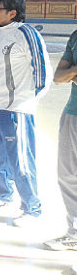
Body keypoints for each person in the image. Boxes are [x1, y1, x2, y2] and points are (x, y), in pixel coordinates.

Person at [0, 0, 52, 227]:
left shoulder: (26, 34)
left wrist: (27, 102)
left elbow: (43, 72)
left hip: (18, 110)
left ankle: (32, 208)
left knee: (21, 160)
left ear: (12, 13)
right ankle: (2, 194)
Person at [44, 29, 77, 251]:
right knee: (67, 175)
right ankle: (74, 233)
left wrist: (71, 74)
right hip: (72, 113)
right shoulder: (75, 36)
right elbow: (58, 77)